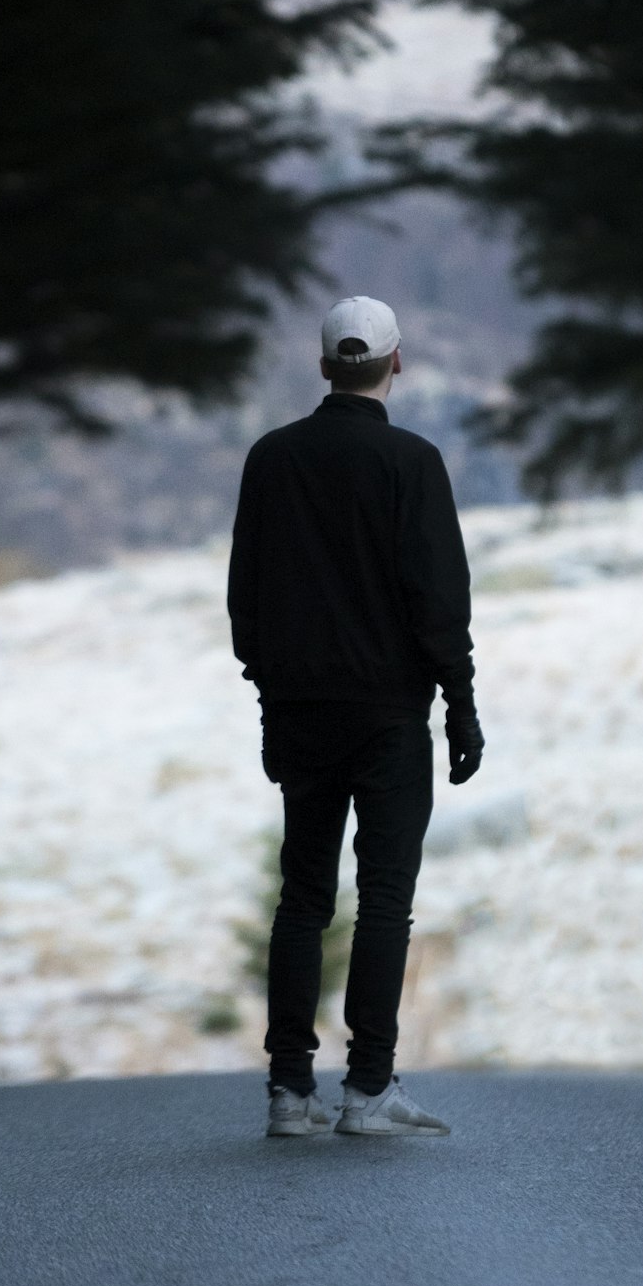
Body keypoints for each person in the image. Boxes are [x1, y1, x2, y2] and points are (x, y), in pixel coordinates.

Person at [227, 295, 485, 1138]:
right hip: (387, 715)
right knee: (383, 899)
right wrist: (461, 704)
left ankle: (288, 1093)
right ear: (395, 362)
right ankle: (368, 1089)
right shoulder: (412, 463)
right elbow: (438, 597)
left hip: (300, 711)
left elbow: (248, 598)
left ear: (324, 365)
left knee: (302, 897)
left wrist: (267, 696)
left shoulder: (272, 459)